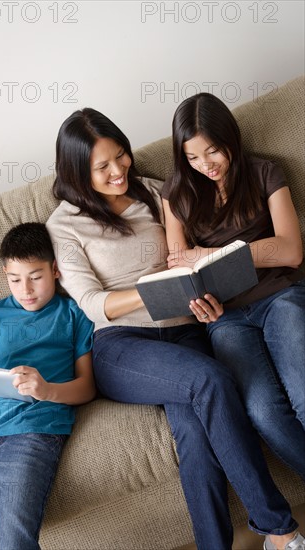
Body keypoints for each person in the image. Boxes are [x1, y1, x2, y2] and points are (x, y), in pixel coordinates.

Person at [45, 107, 304, 550]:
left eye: (121, 156)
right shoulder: (63, 225)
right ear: (76, 172)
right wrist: (152, 293)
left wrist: (200, 290)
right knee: (211, 378)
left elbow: (191, 250)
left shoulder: (154, 192)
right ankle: (279, 529)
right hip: (122, 344)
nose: (117, 171)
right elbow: (92, 305)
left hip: (185, 331)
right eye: (101, 167)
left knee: (196, 437)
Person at [162, 92, 305, 488]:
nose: (205, 165)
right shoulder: (175, 196)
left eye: (213, 152)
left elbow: (291, 250)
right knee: (264, 412)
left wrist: (211, 253)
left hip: (280, 296)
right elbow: (179, 269)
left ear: (231, 140)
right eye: (192, 157)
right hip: (225, 317)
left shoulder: (265, 173)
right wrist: (197, 305)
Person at [0, 222, 95, 550]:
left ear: (55, 270)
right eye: (14, 279)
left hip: (32, 433)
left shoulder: (74, 314)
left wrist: (47, 390)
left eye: (35, 277)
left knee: (11, 542)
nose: (25, 289)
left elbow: (87, 388)